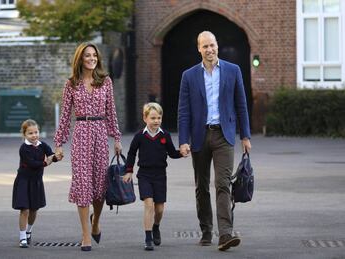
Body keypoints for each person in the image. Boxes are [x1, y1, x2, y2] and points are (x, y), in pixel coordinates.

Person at [177, 31, 252, 251]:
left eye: (212, 45)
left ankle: (225, 234)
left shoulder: (233, 70)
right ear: (198, 49)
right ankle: (207, 230)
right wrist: (183, 140)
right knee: (202, 187)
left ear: (217, 46)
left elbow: (241, 104)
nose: (209, 50)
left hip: (224, 135)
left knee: (223, 183)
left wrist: (245, 135)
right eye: (205, 46)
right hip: (199, 136)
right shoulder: (188, 76)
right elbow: (183, 112)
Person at [54, 42, 122, 252]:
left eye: (94, 55)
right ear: (80, 59)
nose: (91, 58)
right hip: (81, 133)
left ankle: (95, 223)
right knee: (83, 185)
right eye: (87, 56)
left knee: (100, 187)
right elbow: (65, 116)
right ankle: (85, 235)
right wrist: (59, 143)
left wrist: (116, 138)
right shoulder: (71, 84)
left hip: (101, 133)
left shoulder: (106, 81)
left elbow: (111, 112)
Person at [123, 102, 182, 251]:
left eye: (159, 118)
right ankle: (148, 237)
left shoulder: (165, 135)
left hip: (160, 175)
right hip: (144, 175)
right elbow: (131, 153)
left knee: (160, 209)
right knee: (148, 204)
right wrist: (129, 170)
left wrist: (182, 153)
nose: (156, 121)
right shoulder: (139, 136)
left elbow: (172, 153)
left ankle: (156, 226)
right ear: (145, 118)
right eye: (153, 118)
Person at [12, 119, 59, 248]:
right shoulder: (24, 148)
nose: (34, 135)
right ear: (24, 135)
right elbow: (32, 164)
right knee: (24, 209)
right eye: (30, 133)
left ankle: (29, 231)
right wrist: (46, 163)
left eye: (36, 132)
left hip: (36, 181)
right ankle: (22, 237)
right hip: (23, 181)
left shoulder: (42, 145)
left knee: (34, 209)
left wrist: (56, 157)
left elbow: (51, 155)